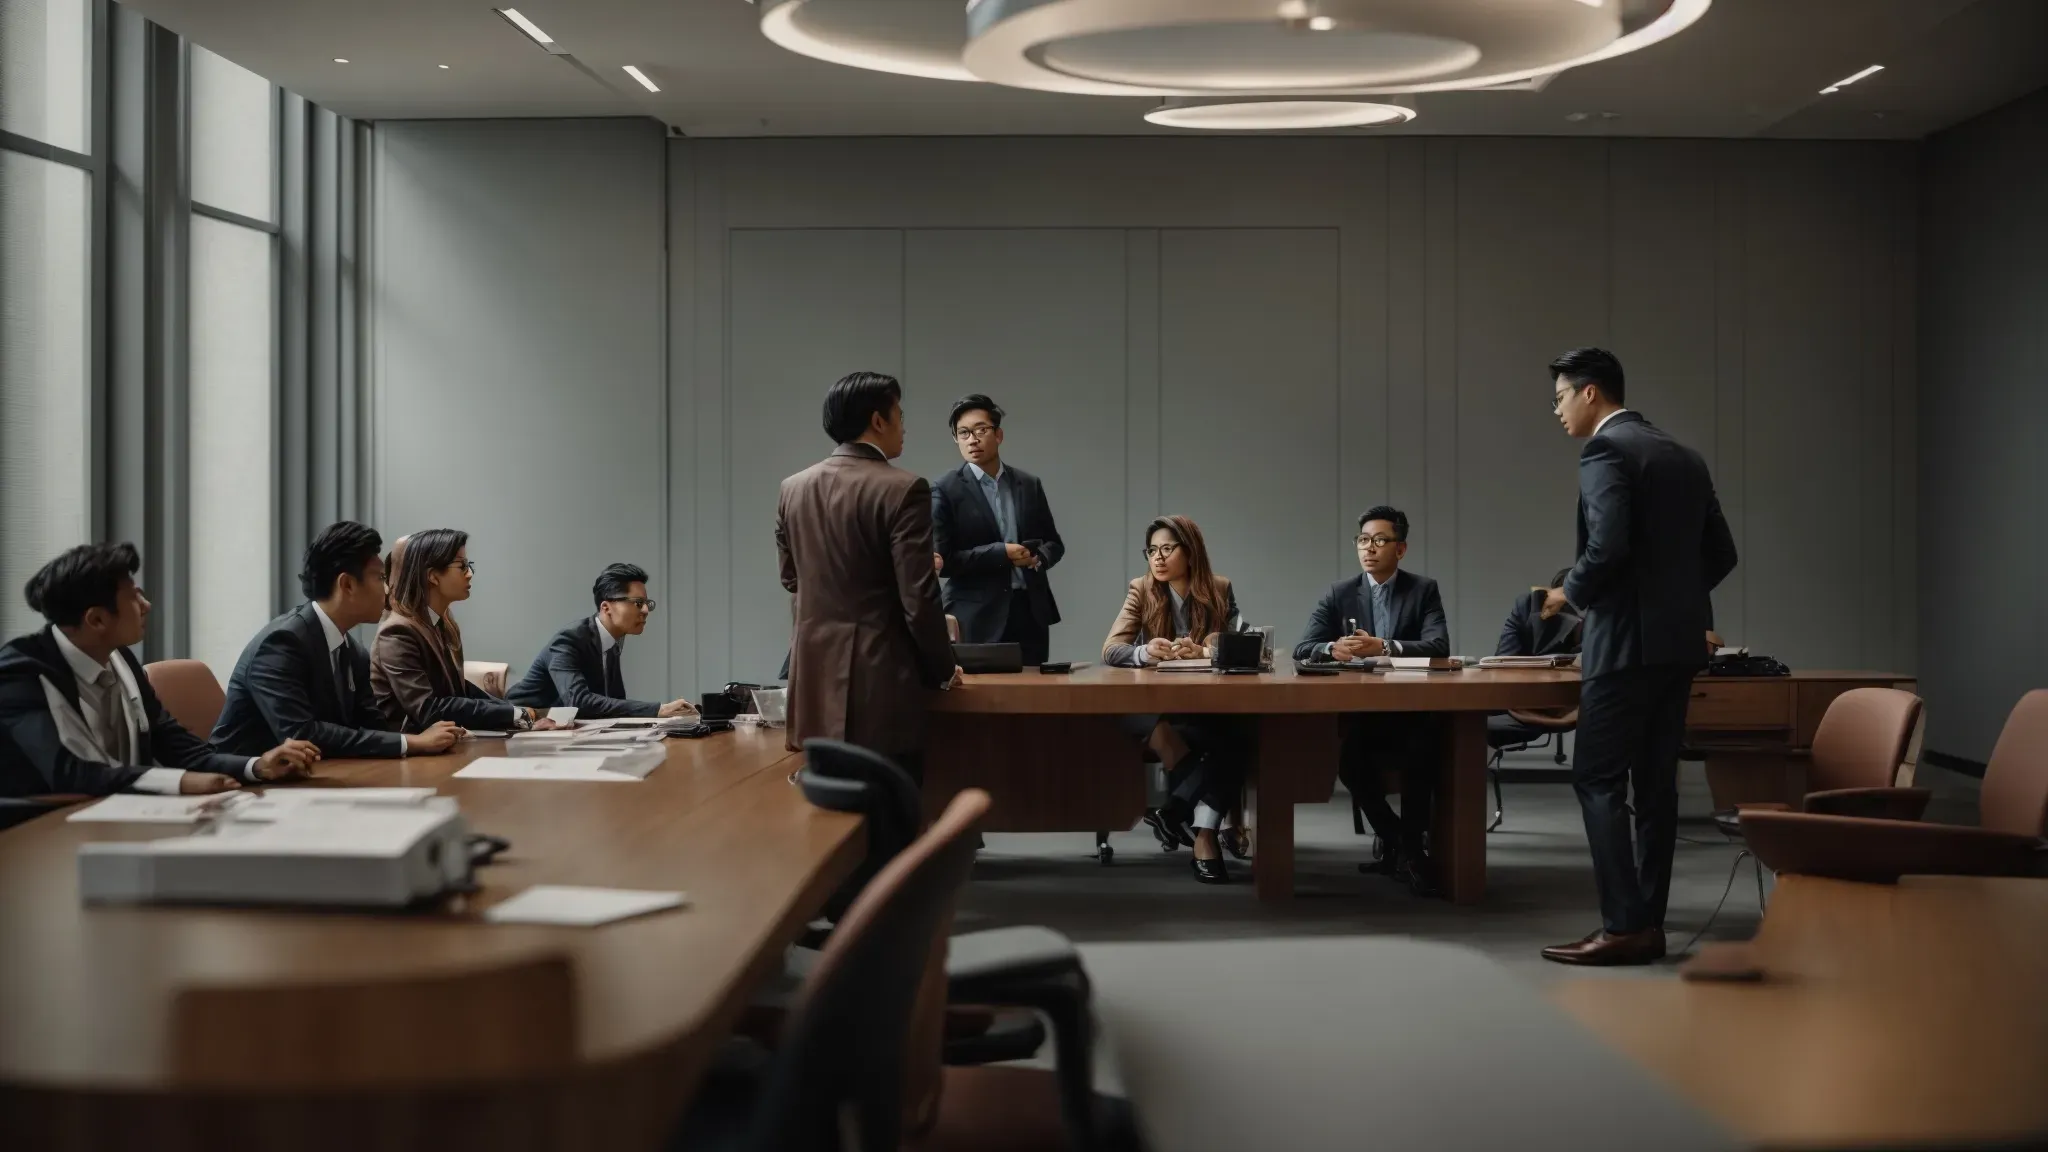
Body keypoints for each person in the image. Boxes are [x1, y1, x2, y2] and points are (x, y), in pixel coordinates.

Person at [1539, 348, 1737, 966]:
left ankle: (1624, 926)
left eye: (1560, 397)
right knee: (1656, 787)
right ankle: (1647, 923)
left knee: (1596, 778)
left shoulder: (1605, 451)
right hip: (1680, 645)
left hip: (1623, 644)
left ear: (1590, 393)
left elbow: (1607, 549)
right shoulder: (1686, 456)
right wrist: (1673, 599)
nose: (1557, 411)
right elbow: (1722, 554)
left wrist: (1566, 592)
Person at [0, 543, 318, 798]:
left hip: (118, 822)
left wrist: (257, 766)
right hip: (37, 831)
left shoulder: (120, 659)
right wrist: (179, 783)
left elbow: (182, 750)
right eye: (133, 596)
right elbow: (70, 772)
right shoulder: (20, 674)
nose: (146, 604)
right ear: (96, 620)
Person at [776, 371, 958, 780]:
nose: (904, 426)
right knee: (888, 814)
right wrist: (944, 669)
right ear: (878, 421)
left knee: (827, 814)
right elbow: (919, 599)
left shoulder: (792, 487)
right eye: (899, 414)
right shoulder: (904, 488)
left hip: (813, 680)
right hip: (880, 681)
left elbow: (791, 577)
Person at [1291, 506, 1451, 895]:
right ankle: (1400, 840)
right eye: (1364, 540)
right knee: (1350, 763)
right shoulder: (1340, 592)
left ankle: (1411, 850)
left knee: (1422, 755)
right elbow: (1303, 648)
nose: (1370, 548)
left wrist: (1384, 645)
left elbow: (1439, 645)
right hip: (1365, 712)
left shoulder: (1422, 589)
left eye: (1380, 540)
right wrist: (1333, 648)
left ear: (1401, 549)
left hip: (1413, 709)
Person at [213, 521, 463, 759]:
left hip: (317, 779)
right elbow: (301, 734)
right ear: (347, 585)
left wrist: (418, 742)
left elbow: (372, 726)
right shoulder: (282, 643)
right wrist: (412, 742)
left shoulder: (352, 651)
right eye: (380, 578)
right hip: (241, 788)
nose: (387, 590)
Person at [1103, 515, 1253, 885]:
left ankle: (1185, 820)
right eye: (1152, 550)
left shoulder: (1220, 588)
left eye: (1167, 548)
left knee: (1240, 733)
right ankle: (1195, 826)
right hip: (1150, 702)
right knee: (1161, 725)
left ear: (1190, 551)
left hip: (1205, 702)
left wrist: (1202, 650)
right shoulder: (1141, 588)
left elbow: (1236, 644)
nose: (1158, 558)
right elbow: (1111, 649)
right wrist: (1146, 653)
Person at [371, 530, 556, 734]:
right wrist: (517, 715)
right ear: (433, 576)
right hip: (405, 754)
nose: (469, 573)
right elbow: (428, 709)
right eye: (462, 566)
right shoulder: (397, 632)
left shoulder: (444, 623)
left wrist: (519, 713)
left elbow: (460, 690)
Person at [931, 394, 1065, 667]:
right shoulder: (945, 489)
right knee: (983, 700)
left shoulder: (1028, 484)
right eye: (964, 433)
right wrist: (1000, 553)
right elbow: (943, 561)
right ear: (956, 439)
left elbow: (1054, 543)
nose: (973, 440)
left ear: (999, 434)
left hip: (1029, 610)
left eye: (981, 430)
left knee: (1033, 699)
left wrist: (1038, 557)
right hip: (975, 615)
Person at [509, 563, 697, 719]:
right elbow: (579, 702)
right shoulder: (568, 640)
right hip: (516, 730)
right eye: (638, 603)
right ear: (606, 607)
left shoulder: (612, 643)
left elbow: (614, 702)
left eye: (647, 604)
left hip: (562, 733)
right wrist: (658, 709)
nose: (646, 611)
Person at [1489, 566, 1583, 748]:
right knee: (1453, 721)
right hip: (1515, 698)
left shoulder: (1607, 622)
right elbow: (1503, 664)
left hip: (1578, 706)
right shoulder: (1528, 607)